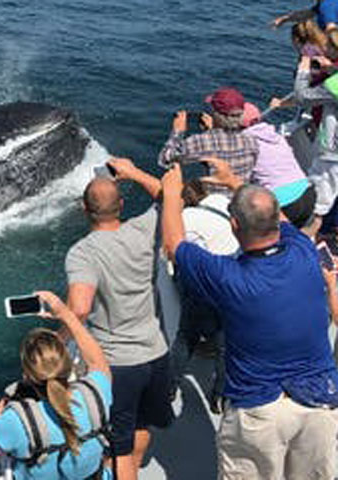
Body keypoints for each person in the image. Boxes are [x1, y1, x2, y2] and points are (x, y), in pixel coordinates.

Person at [161, 159, 338, 479]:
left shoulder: (228, 278)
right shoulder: (303, 250)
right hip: (317, 402)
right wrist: (234, 182)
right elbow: (276, 216)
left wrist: (171, 194)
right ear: (277, 223)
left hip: (258, 410)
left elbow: (175, 245)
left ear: (234, 226)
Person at [65, 158, 172, 480]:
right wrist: (134, 172)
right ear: (121, 205)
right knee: (141, 424)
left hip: (117, 363)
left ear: (84, 209)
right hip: (155, 353)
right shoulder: (143, 230)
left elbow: (81, 307)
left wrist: (58, 335)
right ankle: (133, 469)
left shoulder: (82, 252)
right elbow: (168, 195)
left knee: (116, 448)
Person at [0, 291, 112, 480]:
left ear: (28, 375)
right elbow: (98, 362)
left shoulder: (18, 420)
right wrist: (66, 313)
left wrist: (11, 397)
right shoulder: (95, 395)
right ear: (67, 364)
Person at [168, 178, 237, 413]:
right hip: (230, 279)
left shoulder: (185, 219)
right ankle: (219, 396)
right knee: (225, 346)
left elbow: (173, 252)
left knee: (186, 336)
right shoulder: (219, 201)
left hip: (204, 286)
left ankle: (168, 387)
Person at [158, 87, 259, 195]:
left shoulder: (199, 142)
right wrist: (211, 131)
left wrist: (177, 132)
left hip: (211, 200)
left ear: (215, 114)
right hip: (239, 199)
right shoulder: (252, 141)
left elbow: (164, 160)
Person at [241, 102, 317, 228]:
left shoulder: (244, 144)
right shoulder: (276, 137)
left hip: (283, 203)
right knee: (294, 236)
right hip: (307, 193)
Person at [294, 54, 338, 232]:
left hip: (333, 154)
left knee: (317, 206)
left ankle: (305, 246)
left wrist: (303, 68)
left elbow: (302, 97)